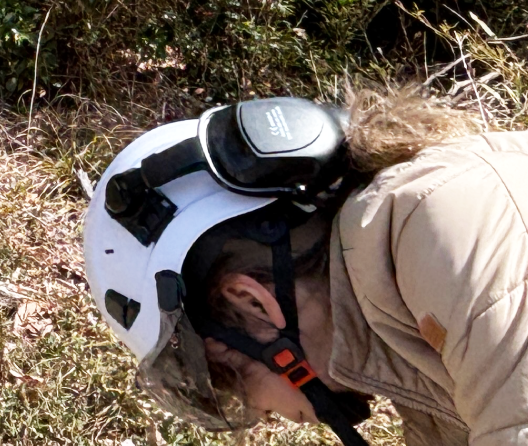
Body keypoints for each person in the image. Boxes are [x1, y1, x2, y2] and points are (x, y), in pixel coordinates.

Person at [84, 90, 526, 446]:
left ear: (252, 301)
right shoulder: (408, 331)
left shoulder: (450, 236)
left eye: (224, 377)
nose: (259, 415)